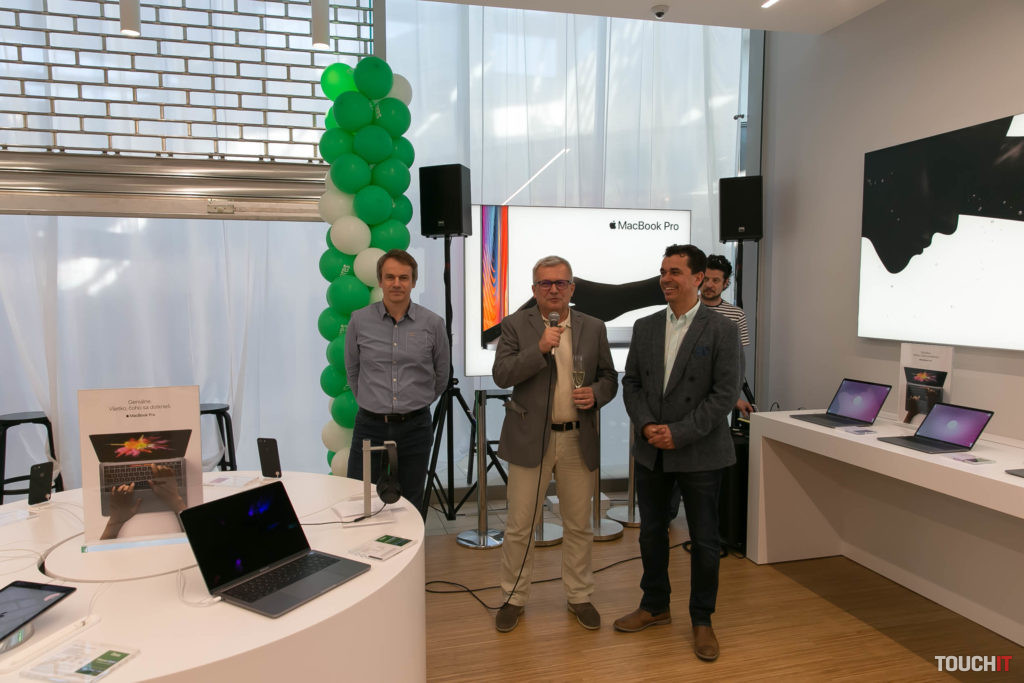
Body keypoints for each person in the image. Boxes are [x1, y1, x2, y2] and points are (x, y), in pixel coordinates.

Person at [614, 244, 741, 662]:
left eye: (675, 272)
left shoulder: (721, 330)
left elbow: (724, 394)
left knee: (704, 540)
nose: (666, 278)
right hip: (652, 450)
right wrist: (647, 426)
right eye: (663, 271)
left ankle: (702, 620)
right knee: (651, 532)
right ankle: (654, 605)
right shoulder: (646, 326)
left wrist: (679, 433)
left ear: (698, 278)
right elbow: (632, 383)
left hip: (700, 452)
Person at [492, 255, 618, 633]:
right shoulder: (516, 325)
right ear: (534, 290)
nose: (553, 289)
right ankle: (513, 597)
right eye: (545, 283)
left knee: (578, 524)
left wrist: (596, 394)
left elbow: (609, 378)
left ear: (571, 288)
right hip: (531, 438)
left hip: (577, 437)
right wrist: (539, 349)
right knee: (520, 525)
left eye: (560, 283)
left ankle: (579, 595)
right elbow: (502, 374)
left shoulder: (593, 327)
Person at [345, 249, 449, 513]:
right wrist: (372, 402)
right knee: (359, 496)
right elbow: (353, 370)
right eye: (390, 277)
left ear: (414, 282)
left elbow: (441, 374)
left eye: (404, 277)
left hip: (415, 426)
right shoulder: (359, 320)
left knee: (410, 502)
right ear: (380, 281)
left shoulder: (433, 323)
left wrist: (416, 402)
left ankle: (407, 542)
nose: (396, 283)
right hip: (370, 425)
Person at [700, 254, 754, 417]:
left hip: (718, 395)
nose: (709, 284)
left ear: (725, 283)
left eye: (715, 280)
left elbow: (735, 361)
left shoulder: (736, 314)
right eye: (706, 279)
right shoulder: (686, 309)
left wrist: (733, 397)